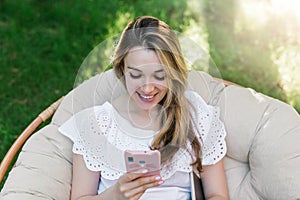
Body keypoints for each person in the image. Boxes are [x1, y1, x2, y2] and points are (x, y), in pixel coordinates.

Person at [59, 16, 228, 200]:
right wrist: (115, 195)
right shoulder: (96, 124)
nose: (147, 88)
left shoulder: (195, 114)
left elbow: (217, 194)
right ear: (122, 68)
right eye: (136, 75)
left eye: (159, 76)